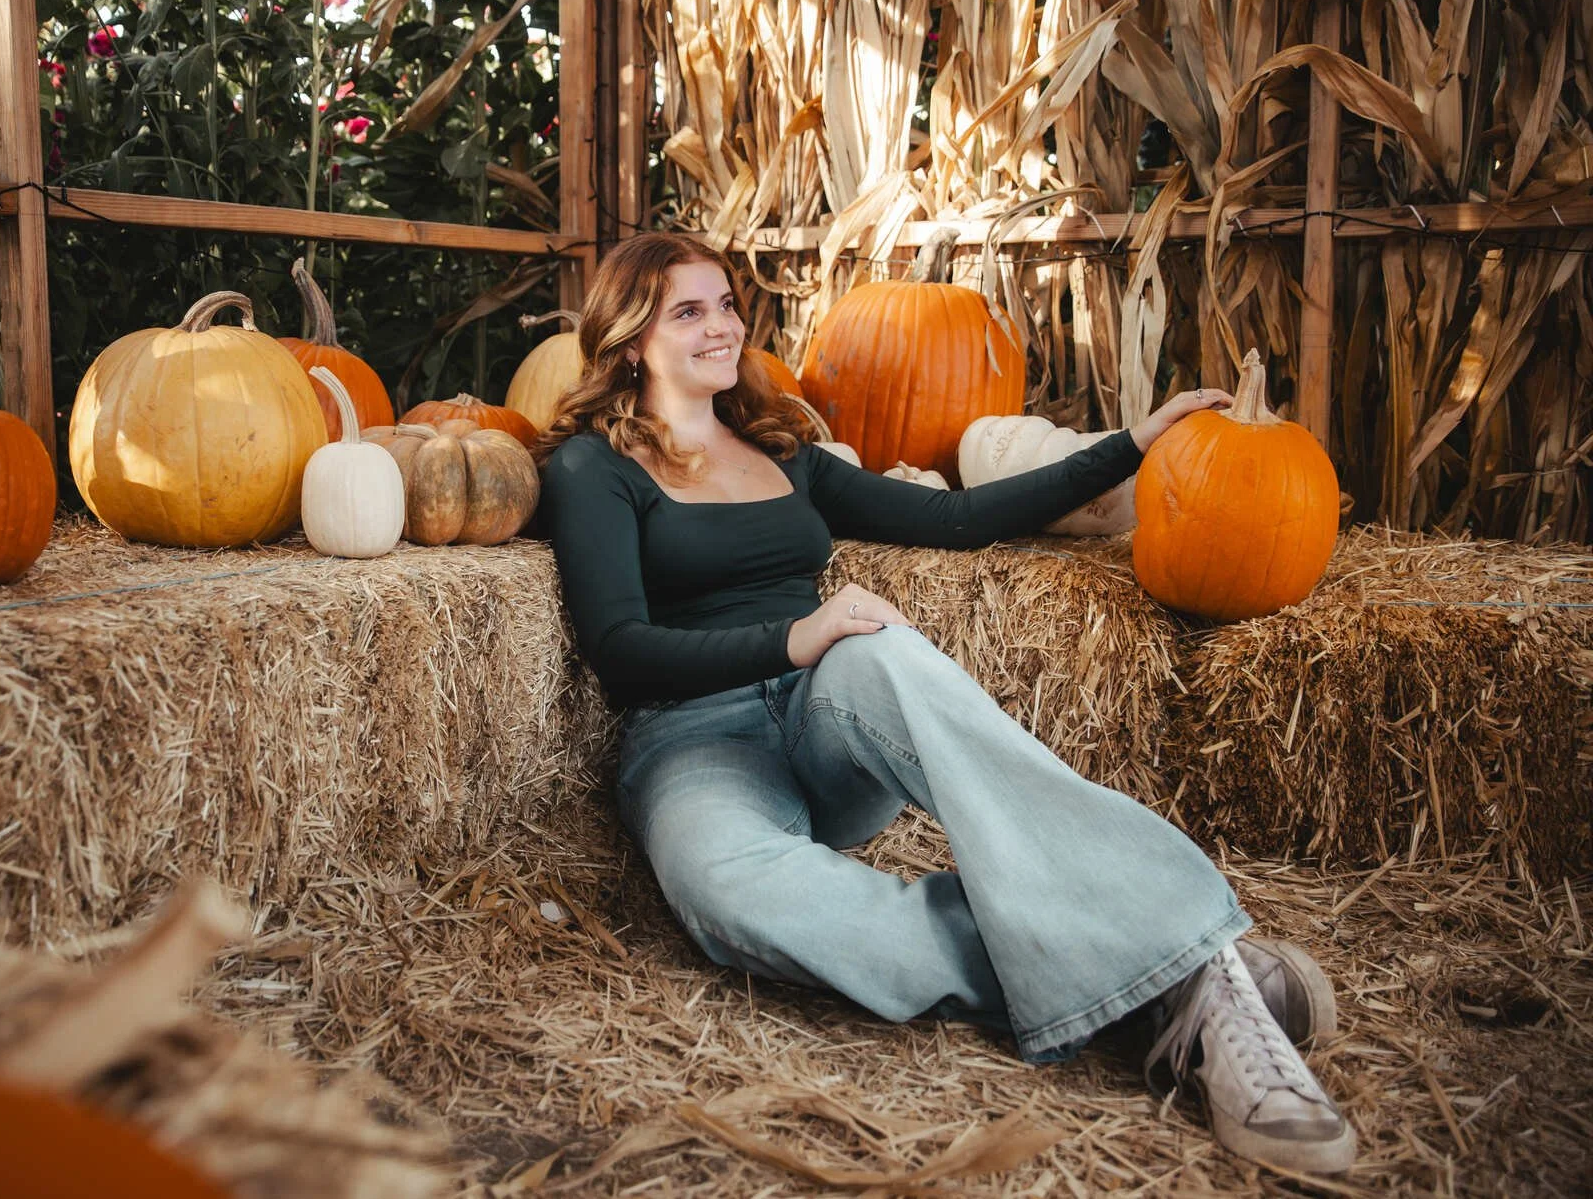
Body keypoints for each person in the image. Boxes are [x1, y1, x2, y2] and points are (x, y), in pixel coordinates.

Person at [533, 231, 1357, 1175]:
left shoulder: (784, 450)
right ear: (631, 338)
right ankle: (1172, 974)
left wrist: (1129, 445)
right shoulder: (593, 468)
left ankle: (1170, 951)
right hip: (695, 743)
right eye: (689, 311)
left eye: (725, 303)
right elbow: (622, 654)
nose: (722, 325)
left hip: (825, 715)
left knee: (882, 654)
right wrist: (796, 632)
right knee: (729, 895)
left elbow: (957, 520)